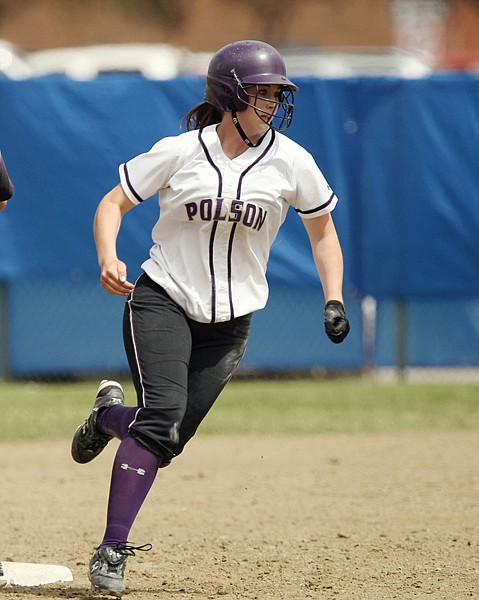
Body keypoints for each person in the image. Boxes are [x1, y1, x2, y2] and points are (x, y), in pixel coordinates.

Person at [71, 39, 350, 597]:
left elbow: (323, 232)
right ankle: (111, 550)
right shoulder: (181, 151)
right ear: (229, 95)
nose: (271, 104)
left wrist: (334, 297)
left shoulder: (293, 162)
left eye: (277, 95)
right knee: (161, 418)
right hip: (163, 298)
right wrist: (108, 256)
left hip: (231, 321)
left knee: (167, 437)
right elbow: (112, 203)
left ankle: (107, 419)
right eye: (260, 93)